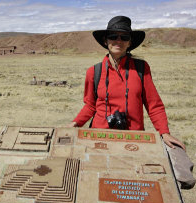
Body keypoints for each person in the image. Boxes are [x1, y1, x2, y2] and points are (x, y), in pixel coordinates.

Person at [69, 16, 185, 150]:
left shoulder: (141, 68)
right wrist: (75, 124)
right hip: (99, 137)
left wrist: (164, 132)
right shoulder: (94, 72)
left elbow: (154, 105)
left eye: (124, 37)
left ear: (129, 42)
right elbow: (90, 106)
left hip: (133, 139)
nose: (118, 41)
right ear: (105, 41)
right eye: (113, 36)